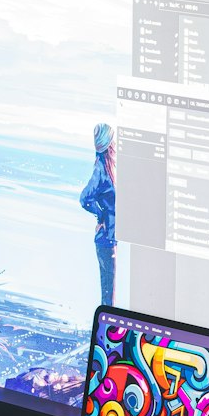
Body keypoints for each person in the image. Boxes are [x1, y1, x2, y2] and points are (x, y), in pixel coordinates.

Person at [79, 120, 117, 305]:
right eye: (113, 140)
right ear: (109, 143)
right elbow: (85, 198)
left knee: (110, 294)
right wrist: (100, 215)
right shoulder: (101, 170)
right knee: (108, 296)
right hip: (105, 239)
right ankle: (107, 331)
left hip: (110, 238)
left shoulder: (108, 169)